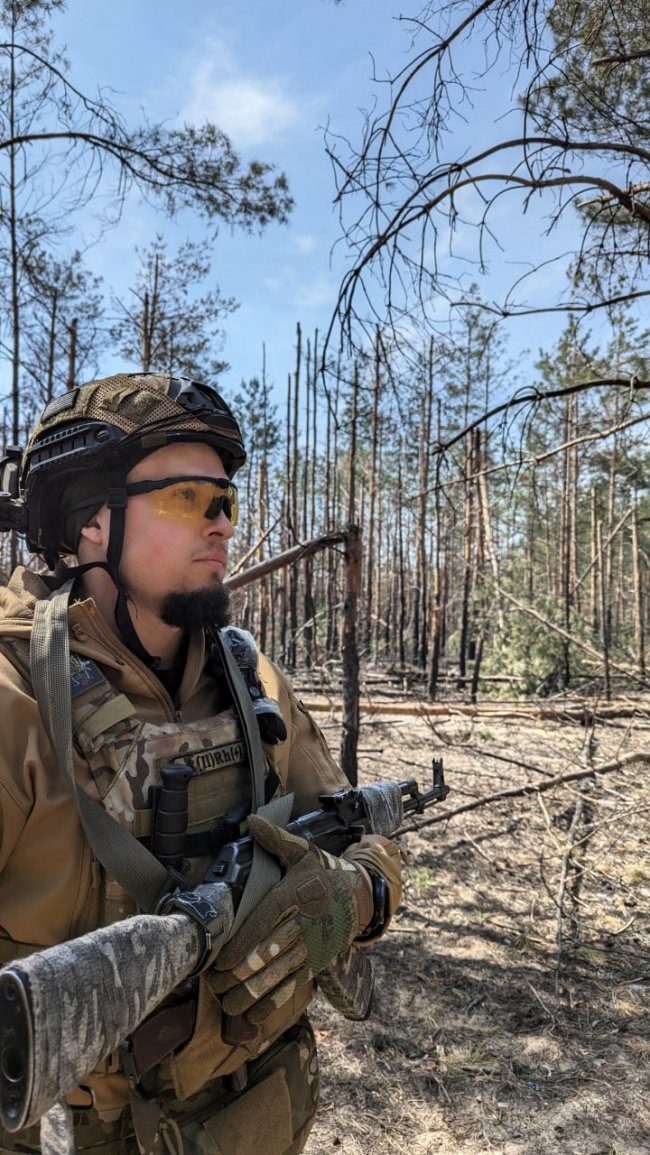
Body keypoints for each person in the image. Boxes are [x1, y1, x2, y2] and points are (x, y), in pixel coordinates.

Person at [0, 373, 402, 1155]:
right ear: (90, 520)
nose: (221, 525)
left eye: (227, 502)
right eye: (188, 498)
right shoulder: (16, 701)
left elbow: (358, 831)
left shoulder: (250, 678)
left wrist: (359, 895)